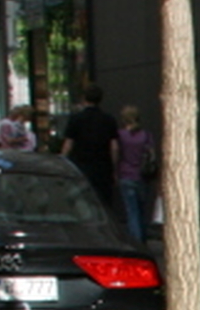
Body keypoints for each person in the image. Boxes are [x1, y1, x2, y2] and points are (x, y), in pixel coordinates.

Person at [62, 82, 120, 208]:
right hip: (103, 168)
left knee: (83, 203)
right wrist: (114, 169)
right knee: (104, 204)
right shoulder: (109, 120)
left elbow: (68, 144)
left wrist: (62, 162)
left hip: (81, 167)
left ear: (84, 98)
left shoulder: (76, 119)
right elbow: (114, 147)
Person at [115, 105, 155, 241]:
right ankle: (143, 237)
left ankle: (136, 241)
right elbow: (151, 155)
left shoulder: (121, 135)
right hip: (142, 176)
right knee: (142, 210)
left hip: (126, 174)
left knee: (131, 211)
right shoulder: (146, 135)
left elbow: (116, 153)